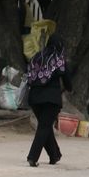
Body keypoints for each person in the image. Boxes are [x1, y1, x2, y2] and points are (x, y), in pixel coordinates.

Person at [25, 20, 70, 167]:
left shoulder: (37, 57)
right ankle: (32, 157)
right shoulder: (58, 59)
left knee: (45, 126)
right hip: (51, 99)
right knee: (44, 127)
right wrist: (69, 88)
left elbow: (30, 76)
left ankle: (55, 155)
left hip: (34, 98)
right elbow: (67, 79)